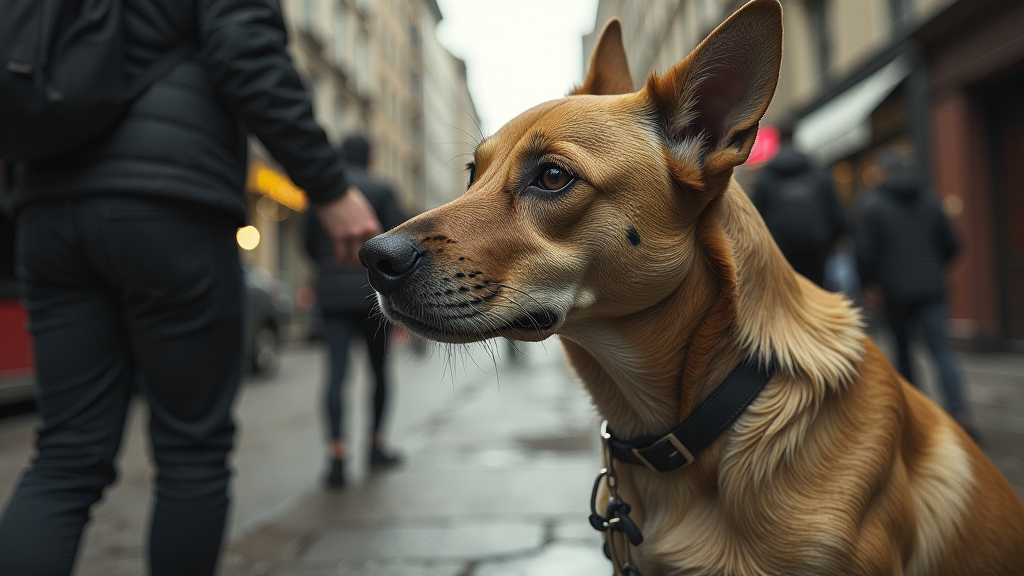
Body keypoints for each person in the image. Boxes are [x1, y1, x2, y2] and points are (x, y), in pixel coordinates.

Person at [0, 1, 381, 575]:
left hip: (47, 209)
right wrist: (329, 187)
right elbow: (247, 53)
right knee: (191, 451)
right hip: (168, 205)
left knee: (65, 457)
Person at [306, 135, 405, 488]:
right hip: (370, 295)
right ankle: (375, 446)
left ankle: (336, 455)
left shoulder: (325, 193)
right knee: (378, 372)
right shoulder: (381, 190)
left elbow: (307, 242)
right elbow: (400, 239)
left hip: (331, 296)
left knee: (335, 374)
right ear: (372, 156)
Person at [856, 149, 974, 433]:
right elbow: (954, 243)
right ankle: (960, 414)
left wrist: (868, 284)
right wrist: (934, 267)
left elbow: (865, 252)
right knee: (942, 350)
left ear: (883, 172)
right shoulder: (930, 200)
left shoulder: (872, 204)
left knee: (904, 351)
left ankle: (915, 419)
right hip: (932, 287)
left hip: (894, 291)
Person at [752, 126, 847, 287]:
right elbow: (838, 218)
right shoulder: (818, 174)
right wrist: (826, 245)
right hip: (816, 256)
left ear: (778, 140)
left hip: (780, 257)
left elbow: (754, 221)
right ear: (795, 138)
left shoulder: (765, 179)